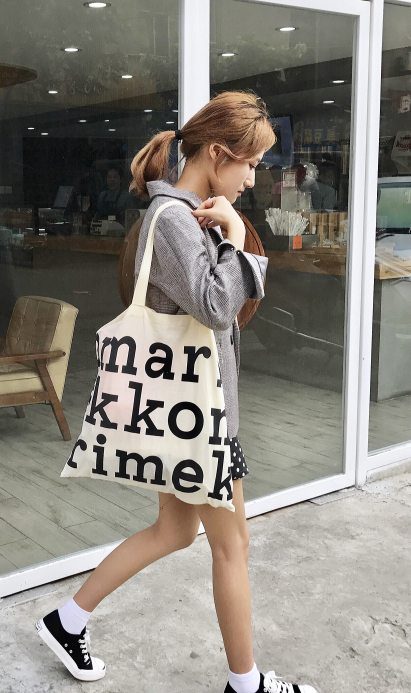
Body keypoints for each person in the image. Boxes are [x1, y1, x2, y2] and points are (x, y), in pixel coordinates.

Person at [35, 91, 318, 693]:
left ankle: (67, 620)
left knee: (177, 531)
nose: (252, 178)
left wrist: (227, 232)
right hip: (197, 419)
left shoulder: (184, 216)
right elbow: (217, 305)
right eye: (249, 164)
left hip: (187, 412)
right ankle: (246, 685)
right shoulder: (173, 221)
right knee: (232, 546)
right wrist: (236, 236)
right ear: (217, 153)